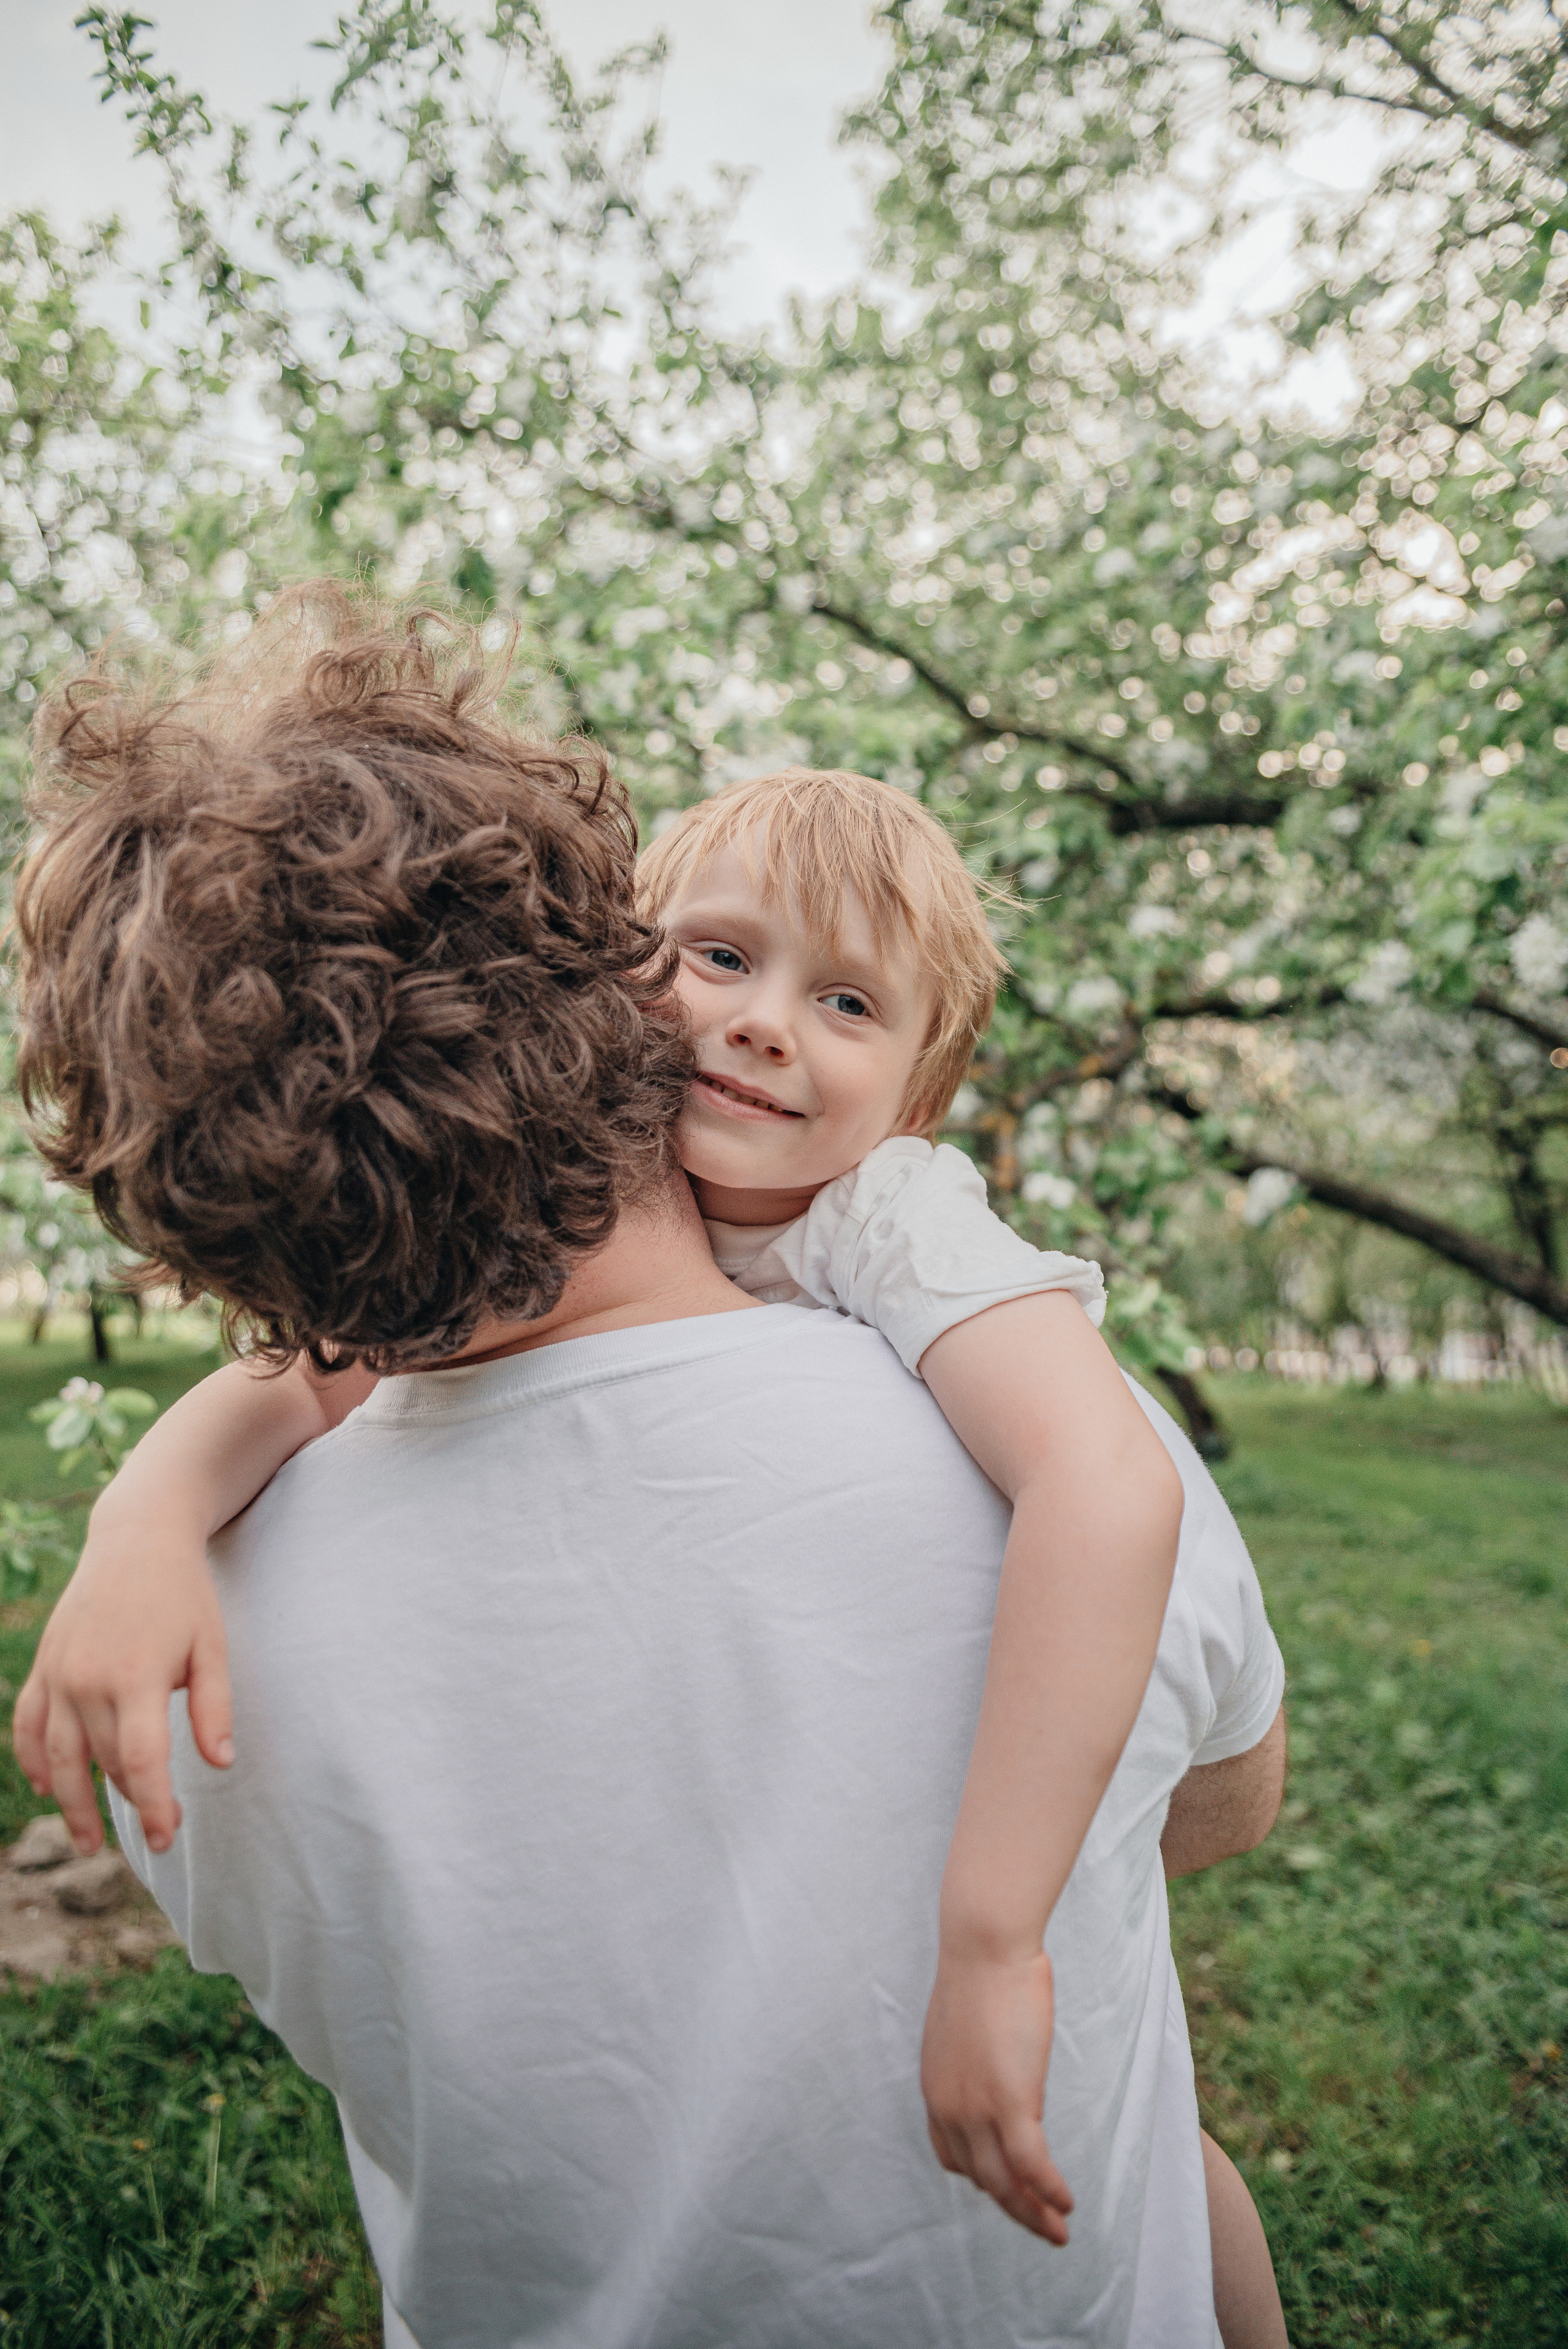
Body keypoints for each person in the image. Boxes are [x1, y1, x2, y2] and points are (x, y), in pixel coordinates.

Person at [13, 589, 1288, 2346]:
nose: (764, 1024)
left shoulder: (171, 1685)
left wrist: (149, 1521)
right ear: (598, 983)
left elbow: (327, 1372)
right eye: (720, 956)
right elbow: (1215, 1804)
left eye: (845, 996)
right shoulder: (1025, 1464)